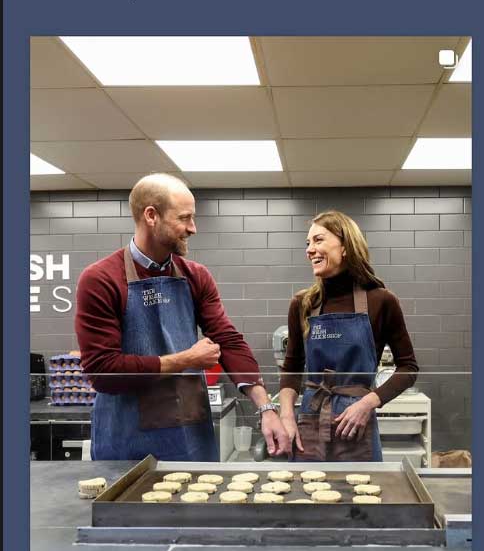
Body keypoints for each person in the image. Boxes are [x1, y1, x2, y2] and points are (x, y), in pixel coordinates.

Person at [75, 173, 290, 461]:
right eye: (184, 218)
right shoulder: (101, 279)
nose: (193, 228)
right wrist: (184, 360)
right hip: (126, 438)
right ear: (151, 216)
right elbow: (103, 371)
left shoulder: (195, 276)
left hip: (189, 436)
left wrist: (265, 407)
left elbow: (227, 340)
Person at [278, 211, 418, 462]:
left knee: (361, 498)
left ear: (345, 246)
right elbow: (292, 369)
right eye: (308, 243)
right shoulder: (303, 303)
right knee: (306, 496)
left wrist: (368, 403)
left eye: (318, 240)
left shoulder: (382, 300)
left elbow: (408, 368)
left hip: (356, 423)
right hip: (310, 417)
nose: (310, 250)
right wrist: (286, 417)